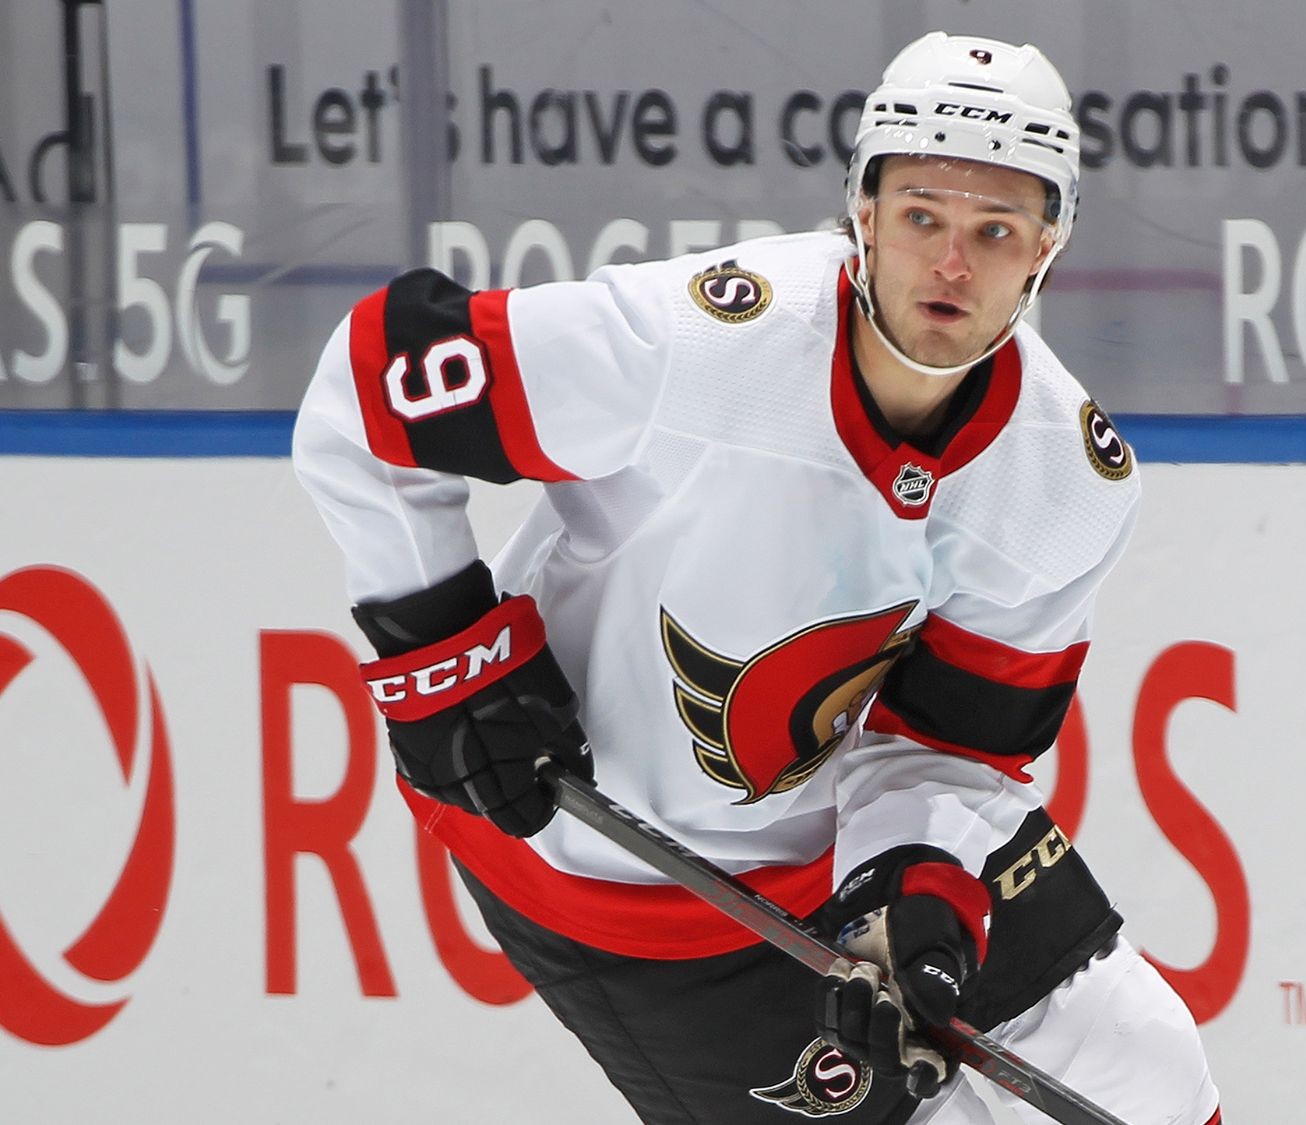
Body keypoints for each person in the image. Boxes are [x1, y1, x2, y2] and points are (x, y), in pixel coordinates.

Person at [294, 30, 1221, 1125]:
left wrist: (910, 899)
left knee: (1145, 1067)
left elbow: (949, 744)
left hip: (829, 841)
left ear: (1046, 249)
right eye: (921, 217)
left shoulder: (1064, 480)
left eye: (995, 229)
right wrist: (451, 661)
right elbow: (369, 386)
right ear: (861, 212)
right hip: (618, 880)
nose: (952, 265)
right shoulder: (696, 345)